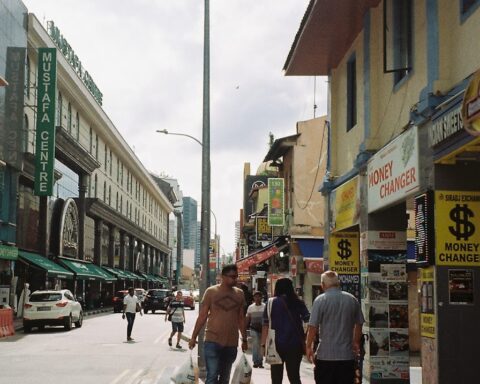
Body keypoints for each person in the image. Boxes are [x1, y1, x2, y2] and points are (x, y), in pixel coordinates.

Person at [188, 264, 248, 384]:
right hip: (212, 340)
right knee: (212, 376)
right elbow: (202, 316)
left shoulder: (240, 293)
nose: (234, 279)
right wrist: (193, 337)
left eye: (236, 276)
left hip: (231, 342)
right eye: (231, 276)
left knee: (225, 378)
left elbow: (241, 318)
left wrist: (244, 339)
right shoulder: (211, 292)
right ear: (222, 276)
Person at [306, 270, 365, 384]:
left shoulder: (320, 300)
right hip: (346, 356)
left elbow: (313, 326)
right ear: (338, 283)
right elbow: (359, 323)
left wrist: (309, 346)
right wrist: (355, 342)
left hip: (325, 356)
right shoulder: (351, 299)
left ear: (323, 285)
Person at [261, 278, 310, 384]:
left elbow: (265, 325)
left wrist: (263, 345)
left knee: (276, 377)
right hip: (295, 344)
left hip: (275, 345)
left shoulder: (270, 302)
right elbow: (308, 320)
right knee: (294, 376)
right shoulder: (298, 302)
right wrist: (306, 339)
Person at [246, 291, 265, 368]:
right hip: (253, 328)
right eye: (255, 297)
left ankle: (260, 362)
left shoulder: (265, 306)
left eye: (259, 296)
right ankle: (255, 361)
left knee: (261, 345)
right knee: (255, 343)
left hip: (263, 329)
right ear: (253, 298)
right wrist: (245, 327)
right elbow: (248, 318)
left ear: (261, 298)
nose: (257, 298)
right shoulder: (250, 307)